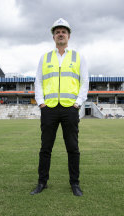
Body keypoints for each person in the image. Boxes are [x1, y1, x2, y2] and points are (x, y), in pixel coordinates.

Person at [30, 18, 89, 196]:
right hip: (49, 109)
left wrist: (77, 103)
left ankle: (75, 183)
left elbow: (84, 82)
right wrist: (41, 103)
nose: (60, 34)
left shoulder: (78, 57)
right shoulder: (45, 57)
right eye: (57, 32)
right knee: (45, 148)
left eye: (63, 31)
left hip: (70, 109)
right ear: (53, 36)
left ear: (68, 36)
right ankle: (42, 182)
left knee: (73, 148)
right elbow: (38, 81)